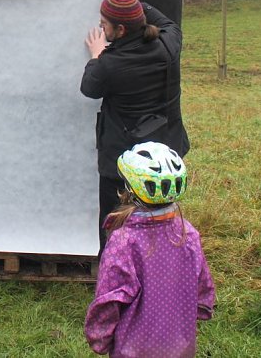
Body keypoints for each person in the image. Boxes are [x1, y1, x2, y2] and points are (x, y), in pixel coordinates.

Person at [81, 0, 189, 254]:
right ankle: (159, 259)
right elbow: (168, 23)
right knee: (160, 213)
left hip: (123, 158)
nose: (101, 28)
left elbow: (89, 88)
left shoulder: (109, 64)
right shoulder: (168, 45)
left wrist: (96, 54)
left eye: (105, 24)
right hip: (164, 152)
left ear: (120, 30)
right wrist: (134, 1)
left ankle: (116, 268)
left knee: (116, 219)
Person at [84, 142, 215, 358]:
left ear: (128, 190)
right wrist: (201, 308)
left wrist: (99, 336)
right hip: (179, 346)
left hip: (134, 349)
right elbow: (202, 283)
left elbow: (109, 298)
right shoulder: (188, 234)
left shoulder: (124, 241)